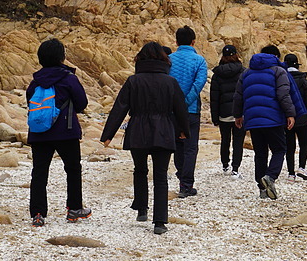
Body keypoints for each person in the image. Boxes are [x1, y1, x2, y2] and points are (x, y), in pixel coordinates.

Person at [100, 42, 190, 235]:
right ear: (164, 60)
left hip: (138, 130)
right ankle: (159, 222)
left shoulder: (134, 81)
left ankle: (142, 209)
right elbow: (180, 109)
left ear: (140, 59)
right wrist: (184, 131)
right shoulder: (170, 82)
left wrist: (108, 135)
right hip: (164, 131)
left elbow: (120, 107)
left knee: (140, 170)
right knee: (160, 176)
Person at [26, 38, 91, 227]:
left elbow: (30, 102)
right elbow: (82, 103)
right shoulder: (69, 78)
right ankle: (74, 209)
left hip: (39, 133)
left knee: (39, 172)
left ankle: (38, 214)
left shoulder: (35, 82)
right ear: (62, 57)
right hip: (66, 131)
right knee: (72, 169)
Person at [233, 45, 296, 199]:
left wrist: (237, 115)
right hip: (273, 119)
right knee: (280, 149)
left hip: (253, 119)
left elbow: (238, 96)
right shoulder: (278, 71)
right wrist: (290, 113)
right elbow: (283, 94)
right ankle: (270, 177)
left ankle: (262, 189)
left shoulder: (246, 73)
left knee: (260, 153)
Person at [169, 26, 208, 198]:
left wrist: (176, 103)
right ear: (194, 41)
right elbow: (199, 84)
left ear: (176, 41)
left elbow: (166, 83)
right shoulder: (199, 60)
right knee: (191, 147)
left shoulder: (168, 60)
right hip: (191, 110)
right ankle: (186, 183)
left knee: (177, 144)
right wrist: (185, 102)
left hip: (171, 110)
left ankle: (181, 176)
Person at [283, 53, 307, 182]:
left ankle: (290, 173)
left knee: (289, 146)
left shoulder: (282, 79)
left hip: (286, 118)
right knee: (304, 144)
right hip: (302, 117)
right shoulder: (303, 80)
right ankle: (302, 167)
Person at [209, 45, 245, 177]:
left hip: (223, 114)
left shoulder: (217, 75)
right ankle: (235, 168)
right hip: (239, 114)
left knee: (225, 140)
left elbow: (214, 98)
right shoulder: (243, 72)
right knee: (238, 141)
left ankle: (225, 164)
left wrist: (214, 117)